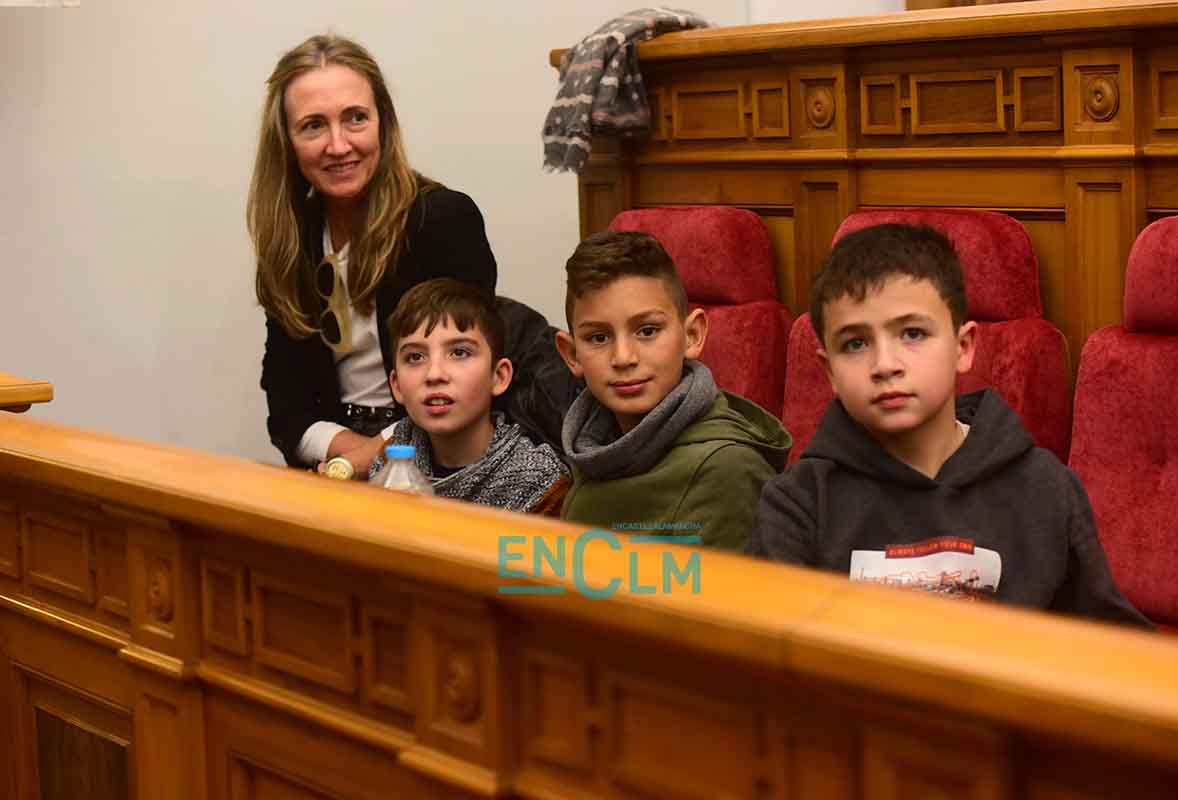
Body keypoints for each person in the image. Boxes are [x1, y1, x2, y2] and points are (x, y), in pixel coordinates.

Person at [749, 223, 1149, 627]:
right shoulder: (797, 504)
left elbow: (1114, 645)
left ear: (963, 347)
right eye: (855, 343)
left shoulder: (1046, 489)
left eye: (912, 333)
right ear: (829, 371)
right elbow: (767, 652)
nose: (885, 364)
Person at [249, 34, 496, 473]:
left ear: (383, 122)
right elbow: (285, 404)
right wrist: (350, 452)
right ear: (286, 140)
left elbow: (466, 373)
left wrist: (384, 451)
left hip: (436, 455)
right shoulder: (292, 237)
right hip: (333, 454)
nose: (338, 145)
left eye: (356, 118)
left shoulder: (442, 219)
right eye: (313, 125)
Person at [554, 231, 791, 550]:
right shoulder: (590, 445)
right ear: (571, 354)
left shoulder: (727, 471)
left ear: (692, 335)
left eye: (647, 331)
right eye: (598, 338)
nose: (623, 357)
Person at [368, 279, 570, 514]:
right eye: (415, 357)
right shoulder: (388, 464)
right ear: (397, 386)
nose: (434, 374)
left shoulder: (540, 484)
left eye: (459, 353)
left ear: (499, 376)